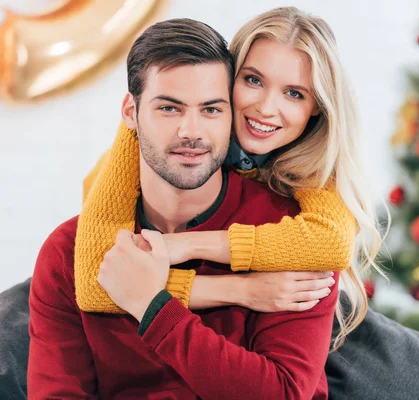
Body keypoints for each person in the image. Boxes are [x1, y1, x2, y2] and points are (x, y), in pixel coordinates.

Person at [28, 17, 340, 399]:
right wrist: (239, 289)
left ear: (230, 114)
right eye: (169, 109)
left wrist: (154, 306)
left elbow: (285, 394)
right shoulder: (70, 251)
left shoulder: (293, 235)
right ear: (131, 113)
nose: (191, 131)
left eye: (211, 109)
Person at [76, 6, 383, 350]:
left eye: (294, 93)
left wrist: (182, 245)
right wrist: (240, 290)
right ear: (227, 78)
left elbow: (332, 243)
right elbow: (95, 281)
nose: (267, 108)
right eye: (253, 80)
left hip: (317, 323)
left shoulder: (315, 157)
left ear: (317, 107)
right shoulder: (150, 134)